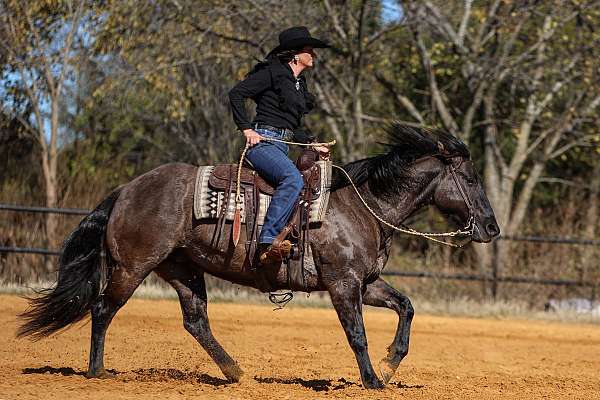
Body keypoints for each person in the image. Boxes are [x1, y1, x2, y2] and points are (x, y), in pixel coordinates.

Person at [228, 26, 330, 265]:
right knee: (292, 179)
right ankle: (268, 239)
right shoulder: (272, 72)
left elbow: (293, 126)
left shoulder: (298, 84)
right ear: (295, 53)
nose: (313, 54)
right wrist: (247, 129)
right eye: (309, 49)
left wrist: (314, 145)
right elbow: (236, 94)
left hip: (282, 144)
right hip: (262, 144)